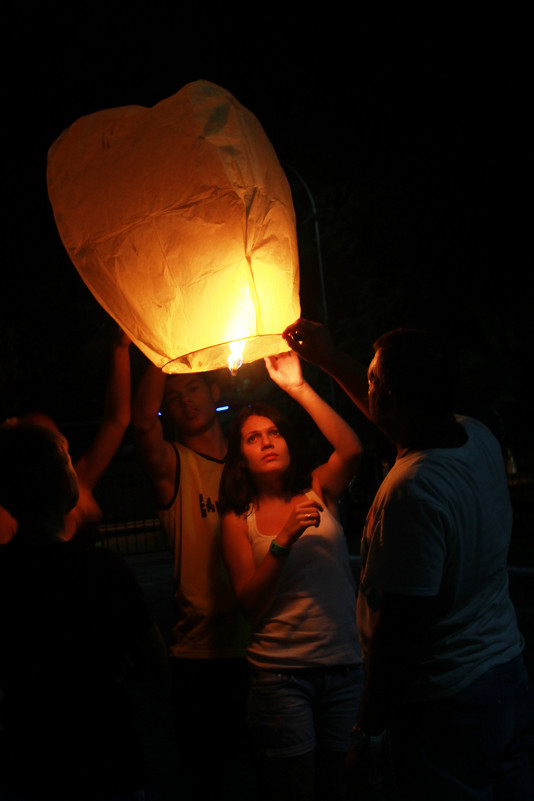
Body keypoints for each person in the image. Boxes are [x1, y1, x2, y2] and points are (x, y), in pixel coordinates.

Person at [283, 318, 534, 801]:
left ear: (392, 398)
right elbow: (395, 409)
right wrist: (329, 359)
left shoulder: (412, 492)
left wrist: (366, 732)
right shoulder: (475, 436)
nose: (367, 386)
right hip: (506, 672)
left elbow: (400, 632)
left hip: (447, 702)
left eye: (373, 381)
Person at [218, 349, 364, 801]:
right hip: (281, 676)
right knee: (294, 790)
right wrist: (281, 542)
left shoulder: (318, 487)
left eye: (274, 432)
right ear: (239, 457)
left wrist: (298, 387)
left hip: (345, 667)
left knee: (344, 784)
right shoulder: (237, 518)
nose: (267, 441)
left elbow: (353, 449)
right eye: (253, 437)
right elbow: (250, 604)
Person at [0, 421, 170, 801]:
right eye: (68, 463)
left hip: (28, 760)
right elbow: (156, 662)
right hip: (107, 753)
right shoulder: (103, 569)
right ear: (64, 484)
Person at [131, 362, 251, 801]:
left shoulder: (253, 458)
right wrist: (162, 355)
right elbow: (141, 423)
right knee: (208, 782)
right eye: (172, 397)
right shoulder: (174, 466)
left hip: (262, 644)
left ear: (214, 389)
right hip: (198, 653)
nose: (184, 400)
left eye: (193, 387)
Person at [0, 326, 132, 545]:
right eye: (51, 448)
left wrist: (120, 349)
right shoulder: (6, 519)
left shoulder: (74, 489)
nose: (63, 456)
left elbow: (117, 422)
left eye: (62, 448)